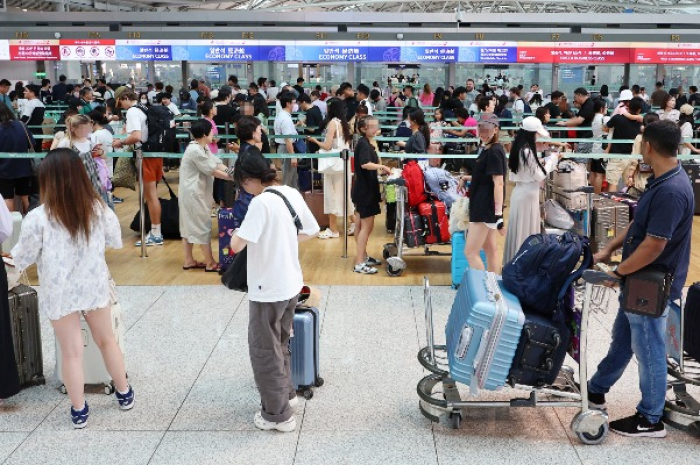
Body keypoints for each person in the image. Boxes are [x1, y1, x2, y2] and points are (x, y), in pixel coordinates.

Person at [11, 148, 133, 429]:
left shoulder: (38, 217)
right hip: (93, 284)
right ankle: (124, 393)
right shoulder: (97, 208)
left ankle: (79, 410)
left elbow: (21, 258)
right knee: (107, 340)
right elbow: (115, 241)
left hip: (59, 290)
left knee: (71, 351)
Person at [587, 120, 693, 438]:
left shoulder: (672, 191)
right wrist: (610, 248)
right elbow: (639, 228)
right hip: (639, 280)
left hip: (651, 285)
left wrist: (619, 272)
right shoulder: (662, 181)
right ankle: (596, 389)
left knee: (649, 348)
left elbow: (654, 244)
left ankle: (650, 418)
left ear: (647, 146)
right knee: (623, 340)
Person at [228, 149, 319, 433]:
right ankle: (287, 393)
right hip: (291, 282)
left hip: (267, 288)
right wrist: (283, 241)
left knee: (264, 350)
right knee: (280, 342)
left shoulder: (260, 203)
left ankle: (277, 415)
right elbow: (312, 229)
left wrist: (236, 232)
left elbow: (236, 245)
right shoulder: (290, 193)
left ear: (246, 179)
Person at [502, 117, 561, 265]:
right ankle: (523, 265)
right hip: (528, 195)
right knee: (526, 233)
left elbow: (528, 170)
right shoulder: (527, 151)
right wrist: (552, 160)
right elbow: (540, 175)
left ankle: (515, 264)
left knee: (519, 230)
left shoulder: (519, 148)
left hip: (522, 193)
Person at [179, 120, 232, 272]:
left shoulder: (202, 147)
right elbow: (212, 170)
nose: (213, 133)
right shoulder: (195, 150)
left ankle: (189, 260)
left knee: (188, 225)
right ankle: (210, 262)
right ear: (204, 134)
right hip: (193, 194)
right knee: (202, 225)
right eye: (211, 131)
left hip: (195, 192)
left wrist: (231, 172)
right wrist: (233, 178)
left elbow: (216, 163)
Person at [113, 90, 163, 246]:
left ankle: (156, 233)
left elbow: (136, 136)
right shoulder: (144, 107)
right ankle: (155, 231)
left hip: (146, 155)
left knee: (151, 196)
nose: (121, 106)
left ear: (126, 98)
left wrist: (120, 143)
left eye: (120, 102)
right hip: (155, 153)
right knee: (151, 195)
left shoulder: (133, 112)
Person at [461, 114, 506, 272]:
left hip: (484, 207)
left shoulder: (493, 151)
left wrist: (499, 214)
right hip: (485, 205)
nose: (483, 132)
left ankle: (486, 288)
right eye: (480, 127)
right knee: (490, 248)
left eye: (487, 128)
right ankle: (494, 289)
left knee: (470, 252)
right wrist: (467, 177)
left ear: (495, 129)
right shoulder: (489, 149)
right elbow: (486, 177)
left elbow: (499, 183)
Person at [307, 99, 353, 240]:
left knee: (331, 195)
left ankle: (333, 229)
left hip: (332, 166)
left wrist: (314, 141)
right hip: (344, 164)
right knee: (345, 194)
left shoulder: (332, 123)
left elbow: (327, 146)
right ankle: (354, 222)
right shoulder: (345, 124)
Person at [351, 116, 391, 274]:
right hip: (365, 192)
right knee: (366, 228)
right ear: (363, 129)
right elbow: (364, 164)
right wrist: (382, 166)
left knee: (360, 226)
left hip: (363, 190)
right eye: (371, 126)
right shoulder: (364, 144)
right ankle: (359, 263)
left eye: (376, 125)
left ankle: (363, 256)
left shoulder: (366, 143)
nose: (375, 129)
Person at [0, 101, 36, 213]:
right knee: (26, 197)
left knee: (8, 198)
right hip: (24, 168)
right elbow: (32, 144)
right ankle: (29, 221)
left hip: (4, 169)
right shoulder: (21, 125)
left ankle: (12, 226)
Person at [603, 97, 643, 192]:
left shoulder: (617, 118)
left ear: (628, 106)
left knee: (613, 183)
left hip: (616, 156)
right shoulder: (640, 122)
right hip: (631, 157)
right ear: (639, 110)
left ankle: (614, 204)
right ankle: (630, 205)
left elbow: (605, 128)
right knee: (629, 183)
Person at [273, 92, 299, 189]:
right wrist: (292, 156)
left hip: (284, 147)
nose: (295, 105)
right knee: (288, 179)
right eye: (294, 102)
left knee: (291, 177)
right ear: (288, 104)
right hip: (287, 148)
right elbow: (287, 139)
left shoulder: (281, 115)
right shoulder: (286, 119)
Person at [589, 99, 609, 193]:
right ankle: (597, 195)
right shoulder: (604, 119)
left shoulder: (594, 118)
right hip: (602, 149)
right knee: (599, 175)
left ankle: (592, 194)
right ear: (601, 109)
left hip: (594, 148)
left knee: (593, 172)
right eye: (606, 107)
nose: (607, 109)